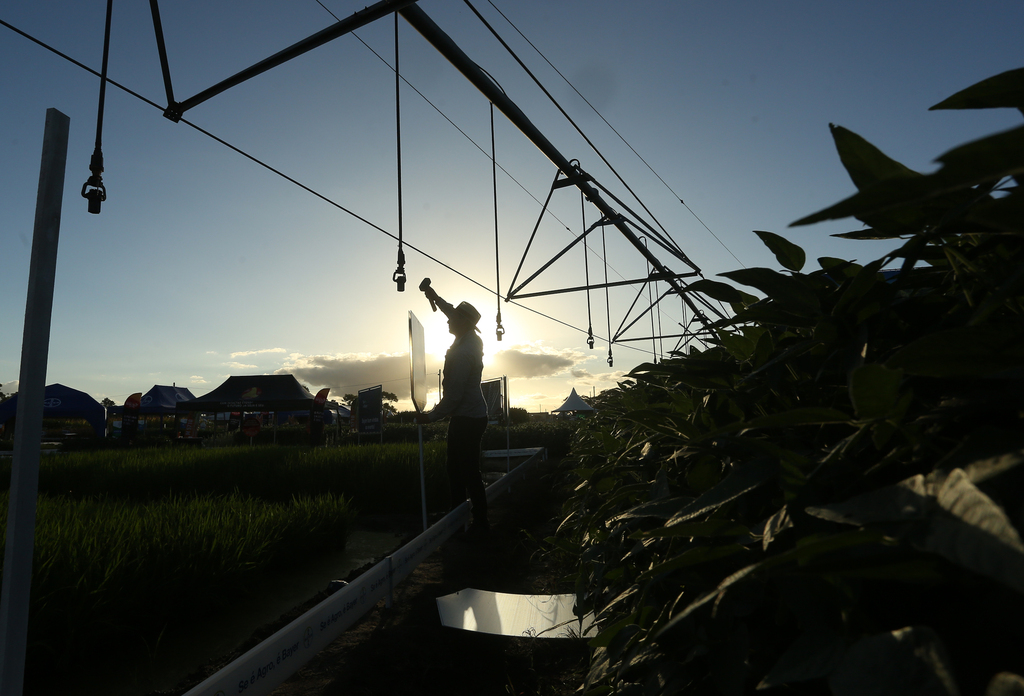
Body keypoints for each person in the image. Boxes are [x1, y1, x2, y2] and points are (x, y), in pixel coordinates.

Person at [415, 283, 489, 539]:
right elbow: (450, 313)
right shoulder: (469, 338)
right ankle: (462, 516)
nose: (448, 320)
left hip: (466, 417)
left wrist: (430, 417)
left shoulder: (461, 354)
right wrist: (434, 296)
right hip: (471, 416)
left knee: (464, 471)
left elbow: (454, 397)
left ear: (462, 323)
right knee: (459, 469)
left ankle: (476, 522)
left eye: (454, 317)